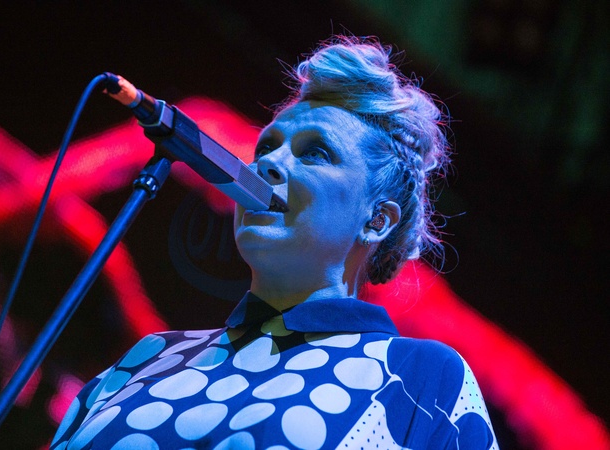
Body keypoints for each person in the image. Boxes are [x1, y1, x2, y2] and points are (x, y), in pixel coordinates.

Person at [50, 36, 499, 450]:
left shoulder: (419, 378)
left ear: (377, 220)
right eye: (266, 148)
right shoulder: (146, 360)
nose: (266, 164)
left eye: (316, 152)